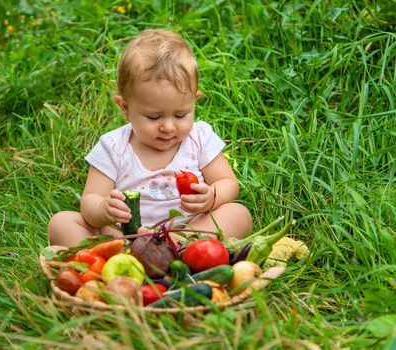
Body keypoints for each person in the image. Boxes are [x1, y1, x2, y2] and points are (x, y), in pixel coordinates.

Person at [48, 28, 253, 247]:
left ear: (195, 100)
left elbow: (228, 183)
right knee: (61, 223)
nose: (167, 126)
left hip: (186, 232)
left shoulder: (199, 137)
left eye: (180, 114)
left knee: (238, 214)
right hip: (122, 238)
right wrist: (104, 210)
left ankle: (178, 249)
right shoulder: (113, 146)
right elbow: (90, 202)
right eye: (153, 117)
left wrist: (211, 197)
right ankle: (119, 260)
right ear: (125, 108)